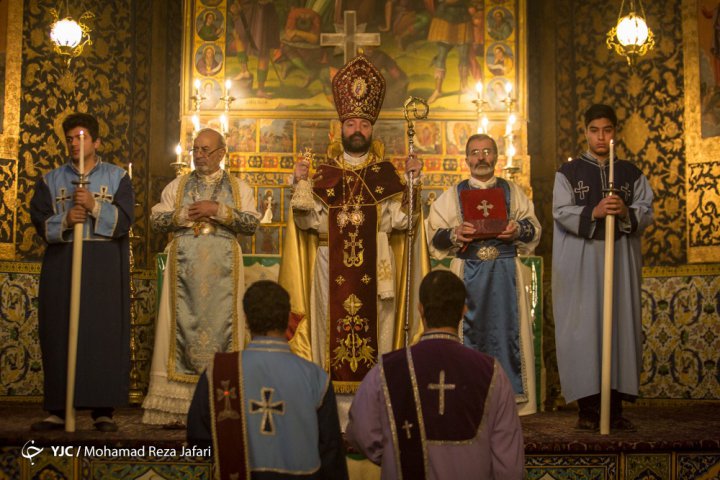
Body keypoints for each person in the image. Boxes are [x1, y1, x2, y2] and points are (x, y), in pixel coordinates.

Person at [281, 54, 426, 424]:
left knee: (377, 335)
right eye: (350, 122)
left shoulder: (386, 177)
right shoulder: (324, 175)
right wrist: (300, 182)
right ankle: (334, 416)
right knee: (330, 336)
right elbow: (307, 221)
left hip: (377, 274)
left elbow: (403, 222)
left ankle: (375, 414)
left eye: (363, 122)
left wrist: (412, 183)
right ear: (340, 128)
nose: (357, 128)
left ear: (372, 127)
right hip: (330, 268)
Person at [346, 270, 525, 479]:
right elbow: (510, 466)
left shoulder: (387, 369)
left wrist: (394, 457)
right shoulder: (492, 372)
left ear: (420, 310)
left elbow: (360, 431)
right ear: (463, 311)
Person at [142, 127, 260, 426]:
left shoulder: (239, 187)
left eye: (206, 150)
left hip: (223, 271)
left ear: (222, 153)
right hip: (184, 268)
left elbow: (250, 223)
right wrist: (184, 215)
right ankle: (175, 406)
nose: (200, 155)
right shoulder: (177, 186)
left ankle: (222, 402)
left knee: (224, 327)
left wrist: (218, 210)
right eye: (196, 149)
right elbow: (157, 219)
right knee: (179, 327)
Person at [29, 113, 134, 432]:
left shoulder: (117, 178)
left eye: (82, 137)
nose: (75, 143)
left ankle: (103, 409)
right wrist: (65, 220)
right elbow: (38, 220)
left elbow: (125, 221)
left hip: (102, 265)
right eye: (71, 138)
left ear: (97, 142)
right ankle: (59, 409)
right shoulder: (51, 180)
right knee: (59, 330)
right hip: (63, 264)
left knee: (101, 333)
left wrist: (93, 206)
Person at [552, 104, 654, 431]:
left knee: (618, 326)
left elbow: (646, 210)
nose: (601, 137)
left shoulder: (629, 172)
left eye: (607, 130)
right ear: (585, 132)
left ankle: (616, 406)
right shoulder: (567, 174)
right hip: (582, 260)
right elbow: (561, 212)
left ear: (615, 132)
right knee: (584, 330)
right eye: (594, 130)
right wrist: (594, 211)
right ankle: (588, 408)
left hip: (618, 260)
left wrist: (625, 211)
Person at [426, 133, 541, 416]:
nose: (481, 158)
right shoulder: (453, 195)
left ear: (496, 157)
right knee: (470, 332)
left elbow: (534, 229)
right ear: (466, 160)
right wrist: (455, 232)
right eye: (475, 153)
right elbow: (433, 235)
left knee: (507, 334)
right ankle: (469, 397)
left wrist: (517, 230)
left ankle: (513, 402)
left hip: (507, 274)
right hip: (468, 272)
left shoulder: (513, 192)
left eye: (487, 151)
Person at [187, 281, 348, 480]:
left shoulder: (217, 372)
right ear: (288, 318)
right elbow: (331, 454)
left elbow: (199, 442)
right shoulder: (316, 378)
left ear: (246, 319)